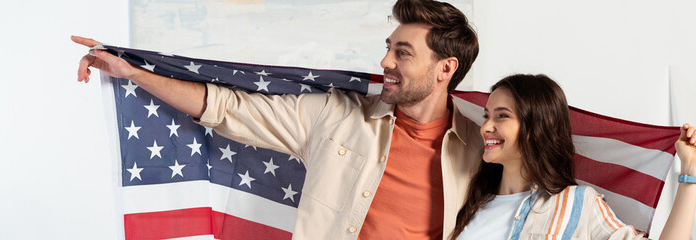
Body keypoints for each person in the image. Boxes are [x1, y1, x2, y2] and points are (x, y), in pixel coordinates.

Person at [74, 0, 483, 239]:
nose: (385, 62)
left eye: (403, 53)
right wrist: (135, 74)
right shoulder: (336, 115)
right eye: (389, 47)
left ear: (445, 69)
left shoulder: (484, 146)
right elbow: (227, 107)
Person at [452, 74, 696, 239]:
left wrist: (692, 171)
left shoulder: (577, 204)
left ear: (535, 128)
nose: (485, 127)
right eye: (486, 115)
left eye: (502, 116)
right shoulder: (473, 202)